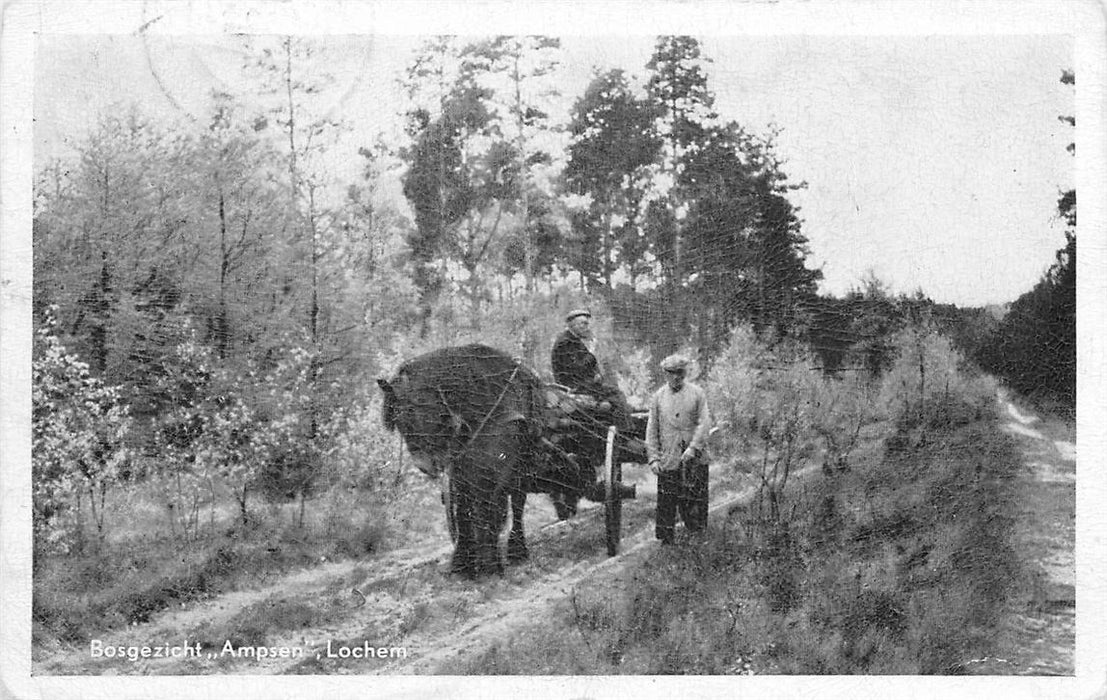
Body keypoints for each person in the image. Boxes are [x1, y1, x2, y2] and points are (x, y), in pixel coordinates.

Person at [646, 353, 712, 545]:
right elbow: (652, 429)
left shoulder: (697, 393)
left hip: (694, 458)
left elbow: (704, 423)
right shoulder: (658, 397)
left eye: (680, 373)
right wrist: (653, 458)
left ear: (685, 373)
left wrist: (693, 448)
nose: (676, 377)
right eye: (672, 373)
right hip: (668, 458)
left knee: (695, 500)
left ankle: (697, 539)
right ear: (665, 374)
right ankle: (667, 542)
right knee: (666, 503)